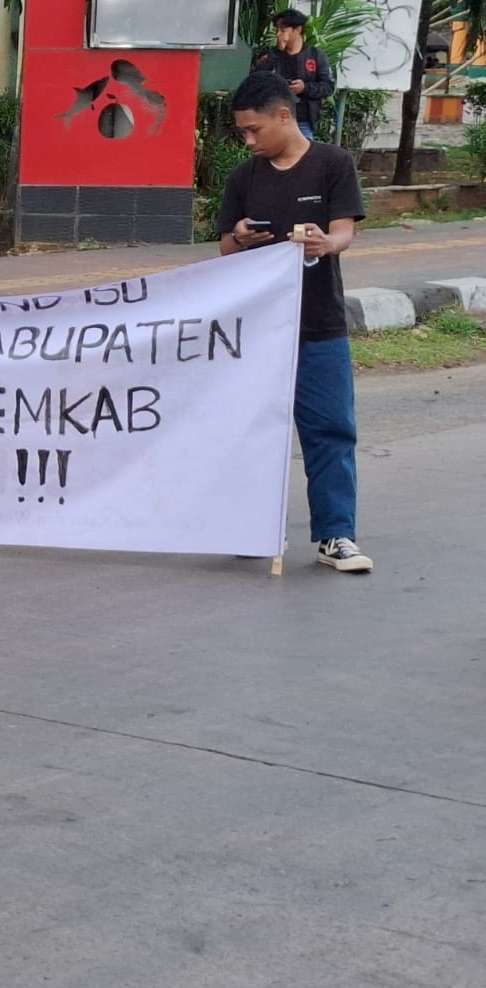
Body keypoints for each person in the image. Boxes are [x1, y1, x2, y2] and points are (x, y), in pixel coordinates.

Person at [218, 72, 370, 573]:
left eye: (254, 129)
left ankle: (336, 535)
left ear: (284, 115)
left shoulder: (332, 163)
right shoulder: (244, 178)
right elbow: (224, 247)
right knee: (253, 431)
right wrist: (240, 237)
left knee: (330, 429)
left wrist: (325, 243)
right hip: (257, 332)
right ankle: (254, 528)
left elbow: (343, 232)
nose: (249, 140)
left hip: (319, 325)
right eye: (243, 132)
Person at [268, 8, 333, 140]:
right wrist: (277, 53)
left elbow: (328, 87)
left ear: (297, 30)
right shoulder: (270, 54)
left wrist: (305, 88)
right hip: (274, 118)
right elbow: (258, 79)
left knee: (304, 151)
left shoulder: (316, 55)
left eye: (283, 30)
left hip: (303, 121)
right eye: (277, 30)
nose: (278, 34)